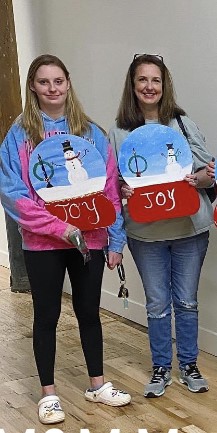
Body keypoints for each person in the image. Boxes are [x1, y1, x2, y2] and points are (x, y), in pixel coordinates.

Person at [0, 54, 131, 424]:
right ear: (33, 87)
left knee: (89, 313)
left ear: (68, 83)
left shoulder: (91, 132)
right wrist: (60, 228)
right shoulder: (19, 135)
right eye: (44, 82)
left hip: (90, 240)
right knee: (47, 316)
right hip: (43, 244)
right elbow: (13, 192)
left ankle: (98, 384)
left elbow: (109, 191)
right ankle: (48, 394)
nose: (52, 88)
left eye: (58, 81)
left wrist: (115, 241)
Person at [109, 54, 214, 398]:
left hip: (189, 229)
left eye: (156, 80)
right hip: (145, 232)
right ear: (133, 85)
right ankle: (160, 368)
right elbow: (115, 184)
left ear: (164, 85)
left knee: (186, 302)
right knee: (157, 305)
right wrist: (122, 189)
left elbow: (209, 170)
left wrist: (197, 179)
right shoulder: (120, 131)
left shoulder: (182, 124)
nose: (149, 86)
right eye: (143, 80)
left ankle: (188, 364)